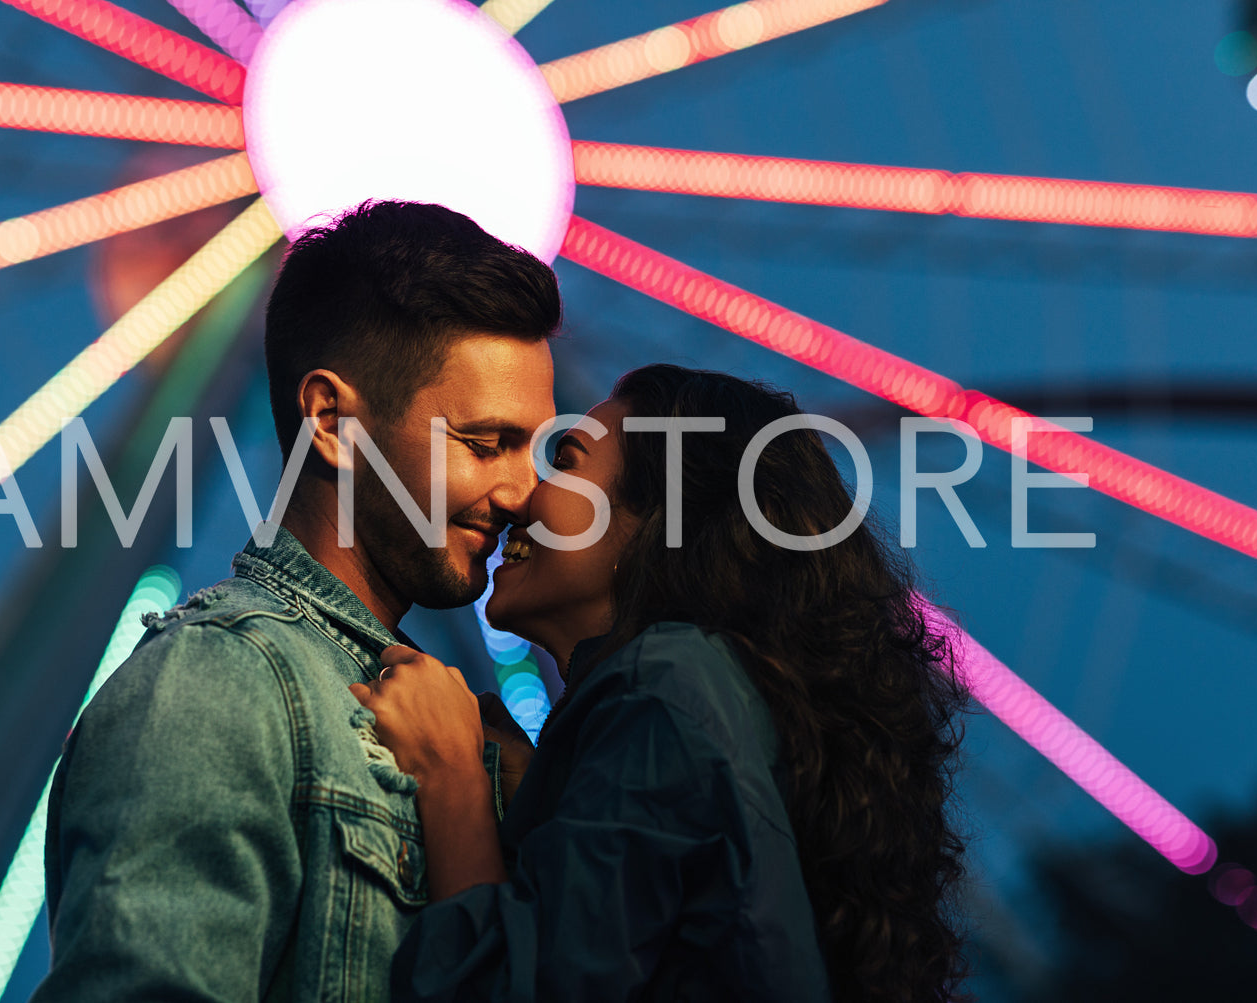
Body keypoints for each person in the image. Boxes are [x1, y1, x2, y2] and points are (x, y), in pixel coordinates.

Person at [29, 201, 562, 1002]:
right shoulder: (216, 685)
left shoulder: (463, 733)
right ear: (332, 420)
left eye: (537, 448)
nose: (523, 493)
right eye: (486, 444)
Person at [352, 364, 972, 1002]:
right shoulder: (704, 699)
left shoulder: (664, 687)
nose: (518, 497)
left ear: (662, 519)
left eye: (564, 462)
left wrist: (449, 778)